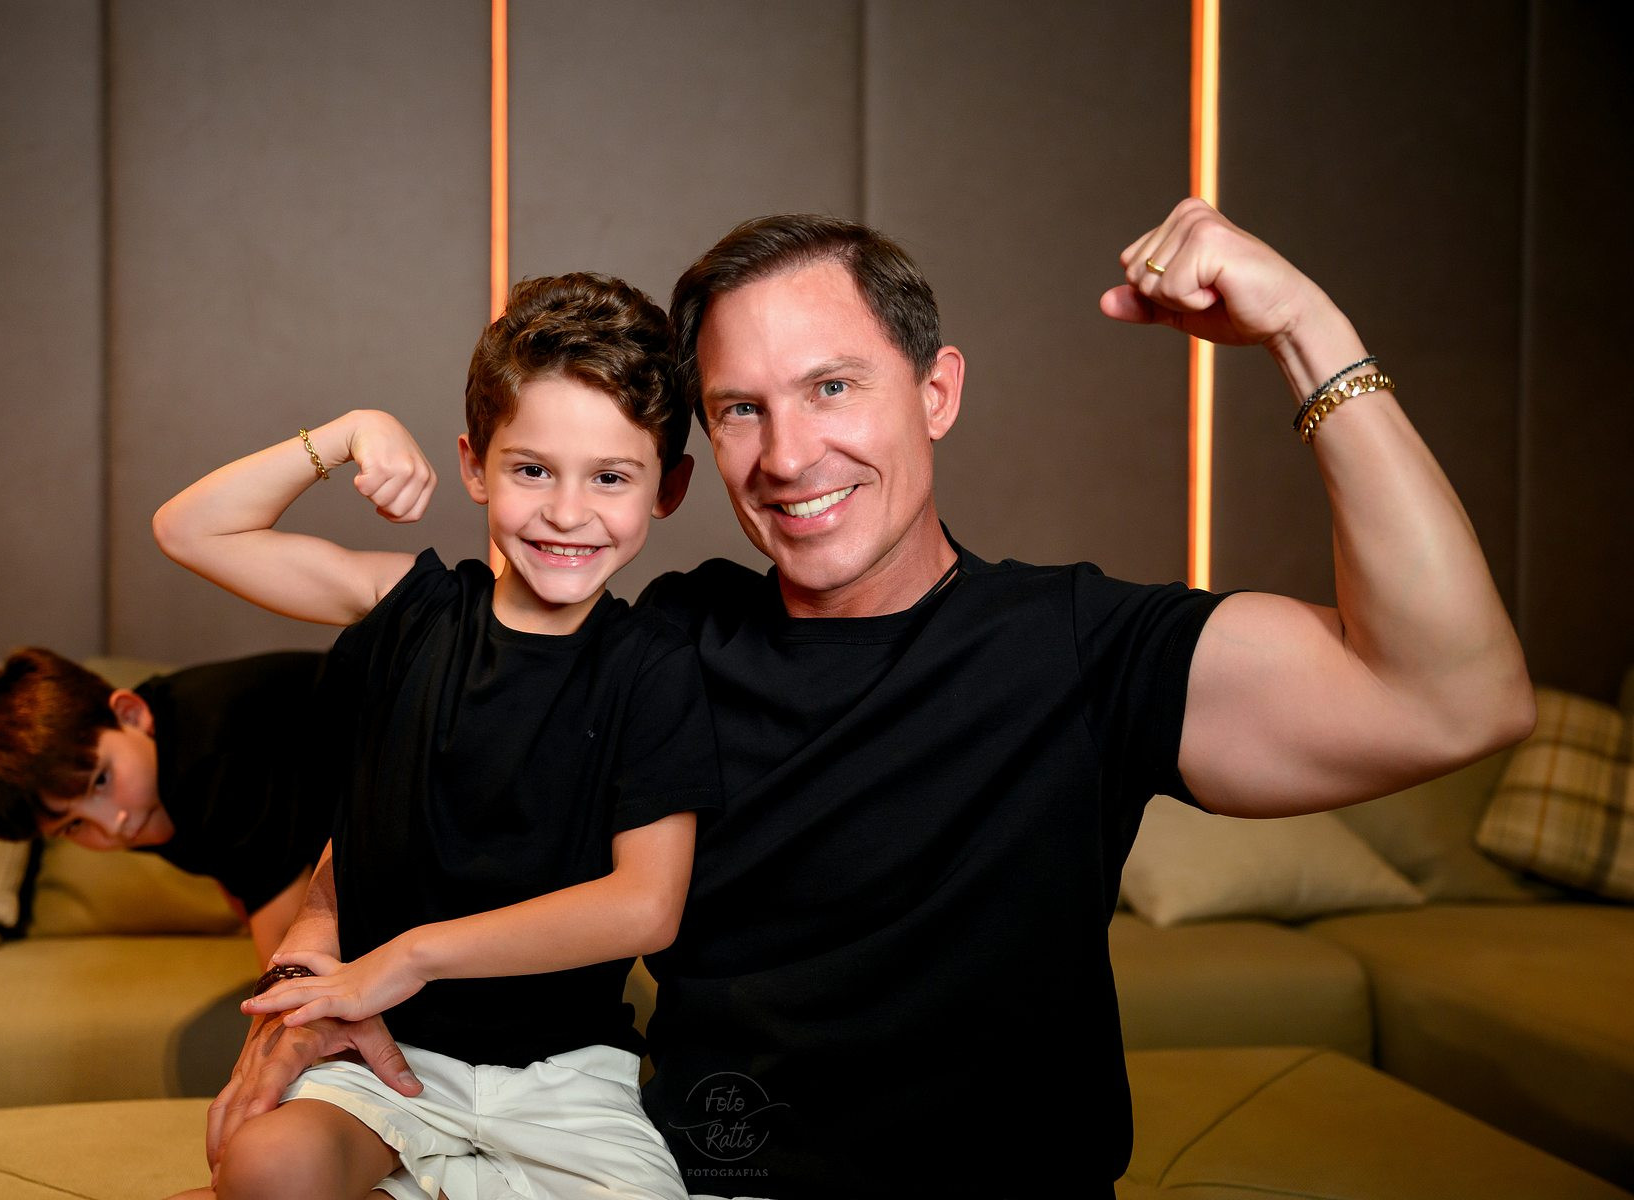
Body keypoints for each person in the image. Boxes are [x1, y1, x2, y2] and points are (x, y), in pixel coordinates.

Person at [200, 201, 1535, 1198]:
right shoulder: (668, 640)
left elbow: (1452, 703)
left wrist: (1307, 331)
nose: (790, 455)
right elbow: (440, 784)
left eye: (833, 388)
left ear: (935, 391)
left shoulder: (1080, 645)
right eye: (740, 409)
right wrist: (319, 957)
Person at [152, 272, 720, 1200]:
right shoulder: (410, 610)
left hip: (566, 1080)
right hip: (384, 1054)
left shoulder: (654, 666)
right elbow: (189, 530)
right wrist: (348, 432)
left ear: (669, 487)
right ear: (473, 464)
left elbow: (645, 906)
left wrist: (403, 958)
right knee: (264, 1164)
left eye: (611, 477)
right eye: (531, 470)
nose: (567, 511)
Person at [0, 646, 332, 963]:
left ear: (130, 713)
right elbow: (237, 873)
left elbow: (290, 950)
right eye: (73, 825)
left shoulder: (206, 752)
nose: (112, 825)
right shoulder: (148, 793)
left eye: (100, 780)